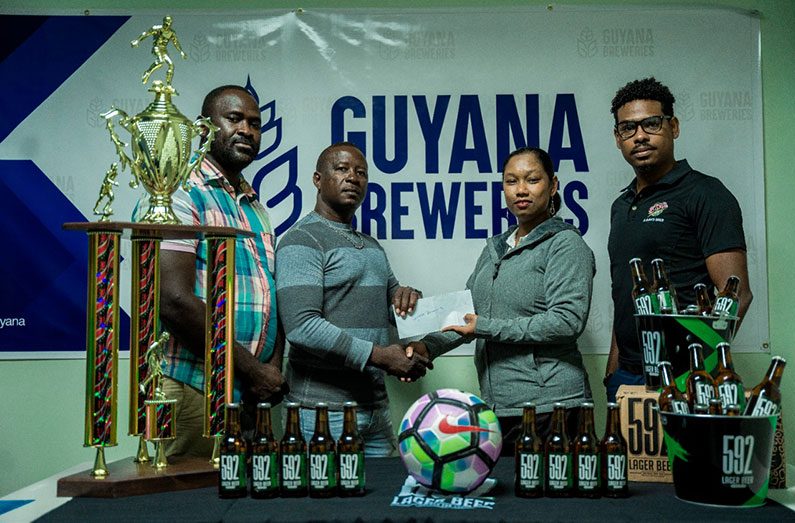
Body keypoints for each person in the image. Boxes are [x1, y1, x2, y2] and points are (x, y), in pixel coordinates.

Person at [408, 147, 595, 452]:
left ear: (553, 184)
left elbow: (566, 321)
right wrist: (426, 347)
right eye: (511, 181)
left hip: (552, 407)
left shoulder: (565, 244)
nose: (521, 190)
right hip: (499, 409)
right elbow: (466, 313)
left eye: (532, 179)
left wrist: (485, 327)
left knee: (551, 497)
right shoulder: (496, 247)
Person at [135, 85, 286, 456]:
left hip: (248, 394)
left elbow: (269, 295)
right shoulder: (179, 192)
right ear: (204, 127)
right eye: (234, 119)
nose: (247, 131)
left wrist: (267, 373)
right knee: (186, 509)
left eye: (255, 123)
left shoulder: (254, 206)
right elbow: (171, 301)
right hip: (192, 388)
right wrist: (252, 370)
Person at [275, 142, 432, 456]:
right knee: (323, 502)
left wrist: (410, 297)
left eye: (361, 173)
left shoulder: (372, 247)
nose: (353, 178)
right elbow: (302, 328)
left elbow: (395, 309)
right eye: (342, 169)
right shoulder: (301, 240)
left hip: (375, 409)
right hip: (320, 412)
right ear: (318, 179)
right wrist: (381, 356)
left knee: (380, 503)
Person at [605, 77, 753, 401]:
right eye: (628, 128)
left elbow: (736, 295)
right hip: (628, 376)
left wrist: (697, 374)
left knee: (687, 456)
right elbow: (628, 295)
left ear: (673, 127)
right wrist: (613, 372)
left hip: (685, 379)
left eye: (651, 124)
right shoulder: (621, 205)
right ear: (618, 138)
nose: (640, 135)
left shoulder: (706, 194)